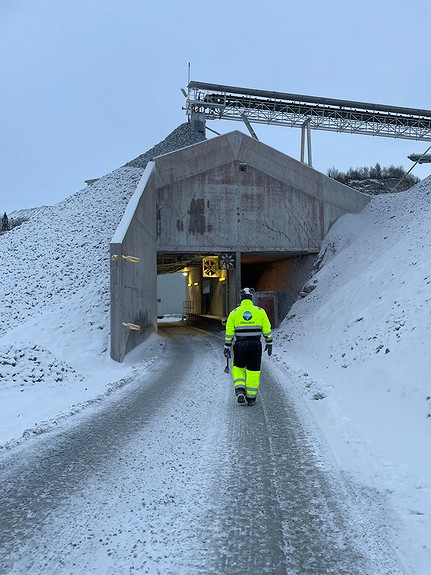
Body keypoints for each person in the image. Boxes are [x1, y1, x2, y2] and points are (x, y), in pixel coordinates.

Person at [224, 287, 273, 406]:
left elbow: (229, 332)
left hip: (240, 344)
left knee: (238, 367)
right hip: (255, 345)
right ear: (251, 298)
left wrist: (227, 346)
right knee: (253, 371)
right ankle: (251, 397)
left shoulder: (234, 313)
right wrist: (269, 342)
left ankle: (240, 389)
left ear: (241, 298)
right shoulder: (260, 311)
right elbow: (267, 329)